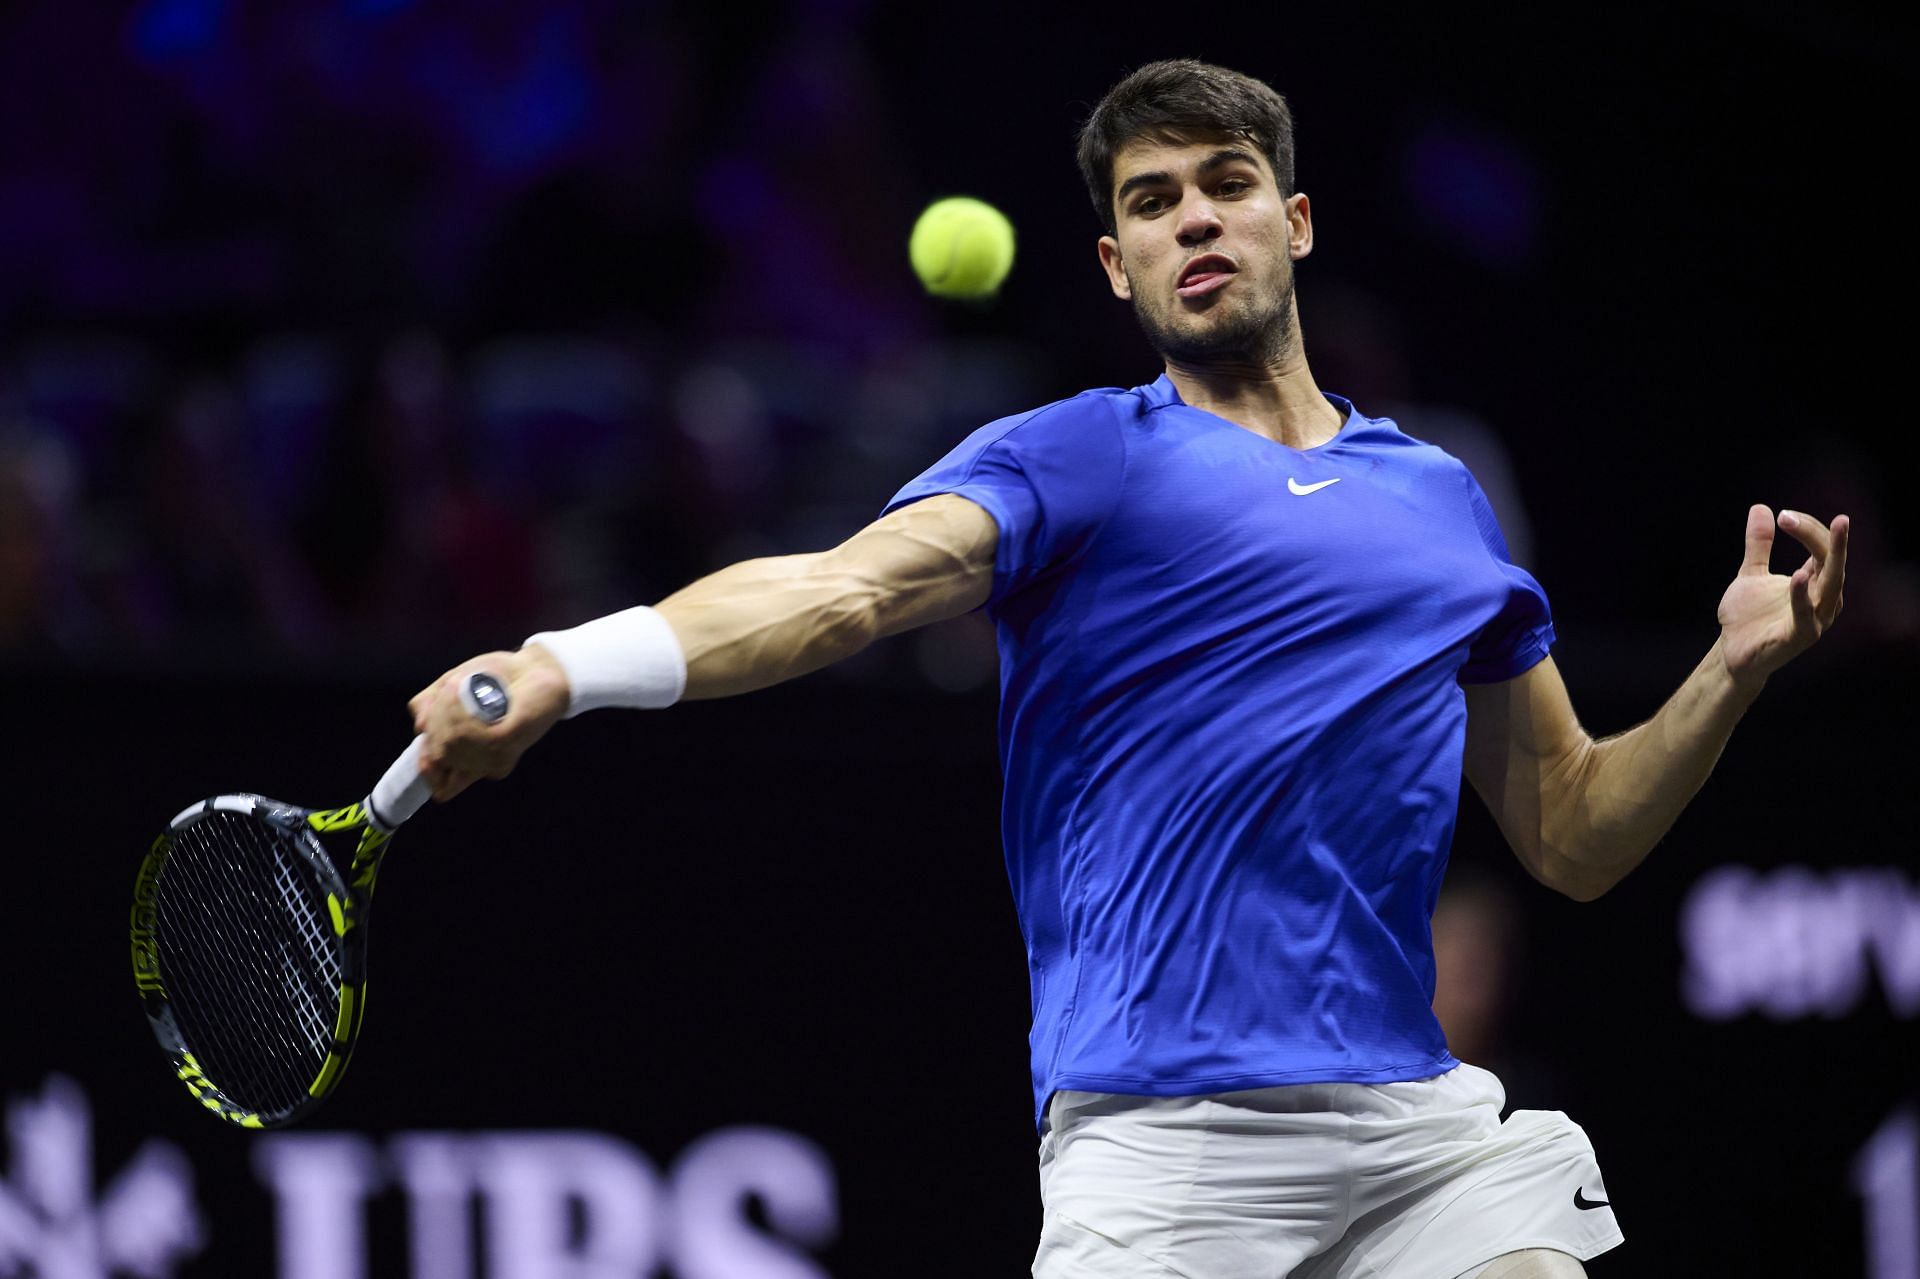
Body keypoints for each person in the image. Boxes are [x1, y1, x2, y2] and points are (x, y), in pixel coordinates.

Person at [408, 59, 1849, 1278]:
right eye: (1149, 206)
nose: (1190, 221)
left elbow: (1576, 834)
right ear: (1118, 266)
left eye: (1222, 183)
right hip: (1165, 1148)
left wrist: (1729, 672)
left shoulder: (1441, 499)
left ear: (1292, 222)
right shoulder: (1080, 459)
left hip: (1421, 1138)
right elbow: (839, 592)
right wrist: (564, 663)